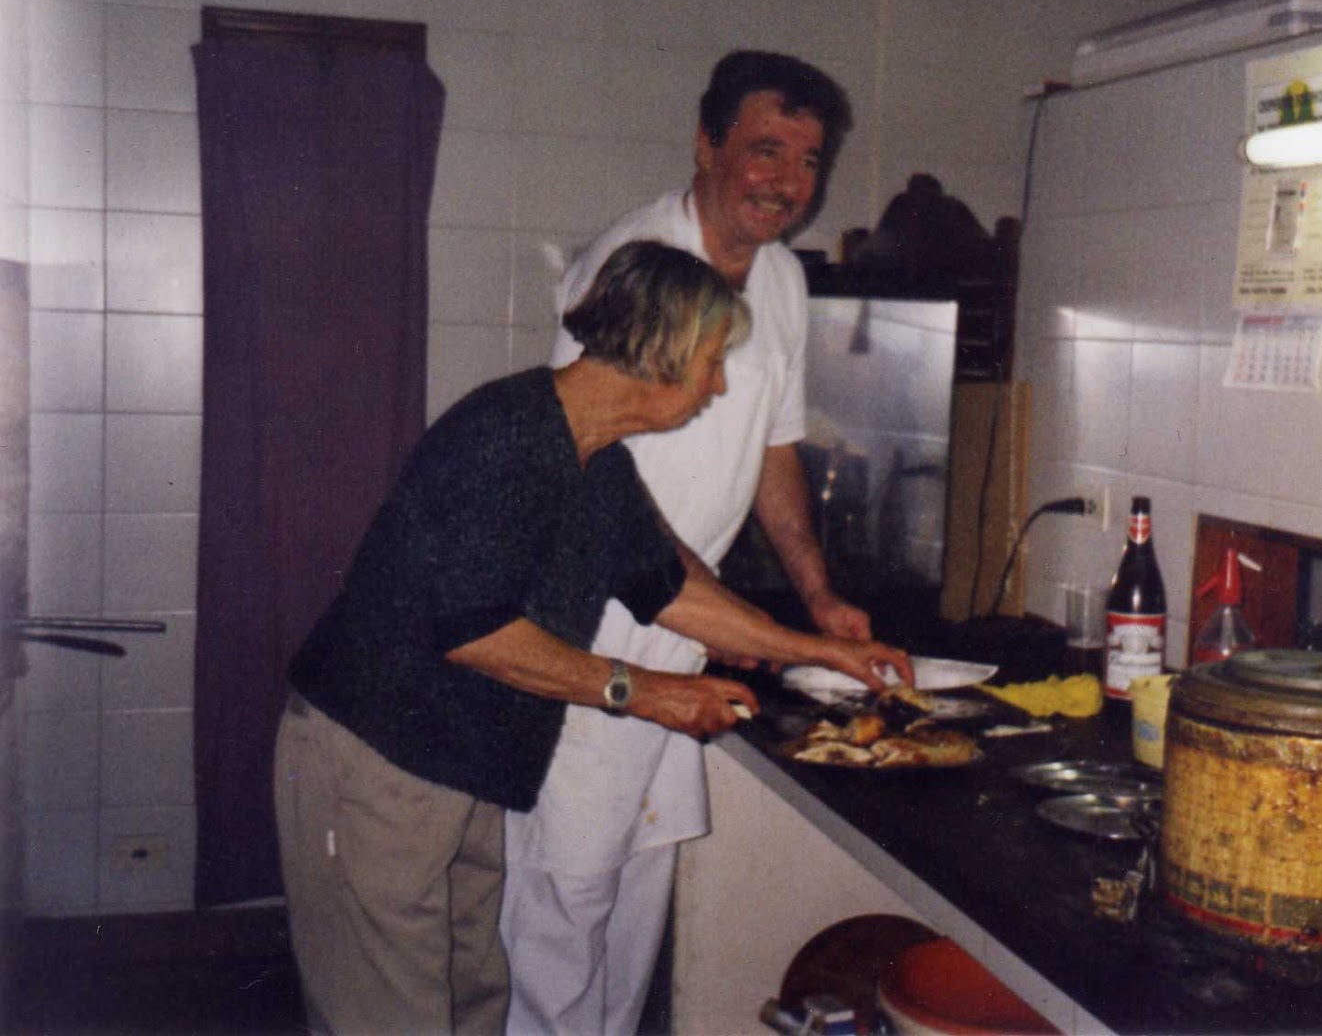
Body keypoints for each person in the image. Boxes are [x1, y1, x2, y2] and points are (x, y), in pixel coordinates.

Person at [274, 240, 910, 1035]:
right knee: (388, 1014)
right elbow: (473, 631)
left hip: (461, 764)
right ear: (663, 354)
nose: (718, 385)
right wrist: (646, 693)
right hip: (376, 758)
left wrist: (820, 649)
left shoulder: (593, 458)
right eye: (713, 362)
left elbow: (668, 588)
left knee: (473, 998)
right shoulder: (505, 434)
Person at [500, 50, 863, 1035]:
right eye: (765, 150)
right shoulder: (636, 263)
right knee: (566, 899)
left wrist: (816, 593)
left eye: (808, 160)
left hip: (682, 626)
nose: (787, 181)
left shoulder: (782, 279)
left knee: (638, 889)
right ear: (705, 146)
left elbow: (776, 448)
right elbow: (591, 466)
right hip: (589, 622)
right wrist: (738, 619)